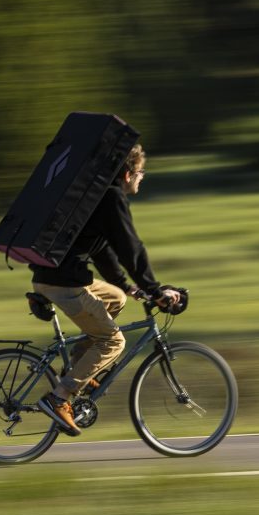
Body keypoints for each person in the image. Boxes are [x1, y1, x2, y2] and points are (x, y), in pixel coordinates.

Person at [30, 144, 181, 436]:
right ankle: (59, 397)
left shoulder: (98, 197)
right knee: (113, 342)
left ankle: (79, 368)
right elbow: (131, 248)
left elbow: (102, 250)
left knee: (116, 298)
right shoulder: (112, 198)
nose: (142, 177)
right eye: (140, 172)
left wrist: (128, 286)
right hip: (65, 283)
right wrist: (155, 290)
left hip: (57, 277)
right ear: (127, 174)